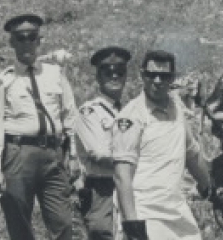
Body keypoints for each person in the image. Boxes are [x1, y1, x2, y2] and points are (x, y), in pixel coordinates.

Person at [0, 14, 80, 240]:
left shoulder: (55, 73)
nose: (27, 43)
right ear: (12, 42)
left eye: (32, 37)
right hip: (18, 154)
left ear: (39, 40)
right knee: (19, 222)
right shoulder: (3, 81)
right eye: (20, 38)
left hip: (53, 154)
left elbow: (69, 116)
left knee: (63, 223)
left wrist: (74, 154)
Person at [111, 50, 215, 240]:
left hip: (176, 211)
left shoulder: (176, 110)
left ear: (172, 78)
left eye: (164, 76)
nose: (157, 81)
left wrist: (207, 185)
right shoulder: (131, 117)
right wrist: (132, 224)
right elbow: (122, 175)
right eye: (151, 75)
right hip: (145, 213)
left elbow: (191, 154)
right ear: (143, 75)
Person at [74, 46, 132, 240]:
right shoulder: (89, 112)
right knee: (103, 234)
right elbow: (99, 153)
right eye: (108, 72)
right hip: (102, 189)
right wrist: (138, 158)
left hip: (130, 185)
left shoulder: (130, 112)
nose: (114, 77)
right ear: (98, 77)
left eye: (120, 72)